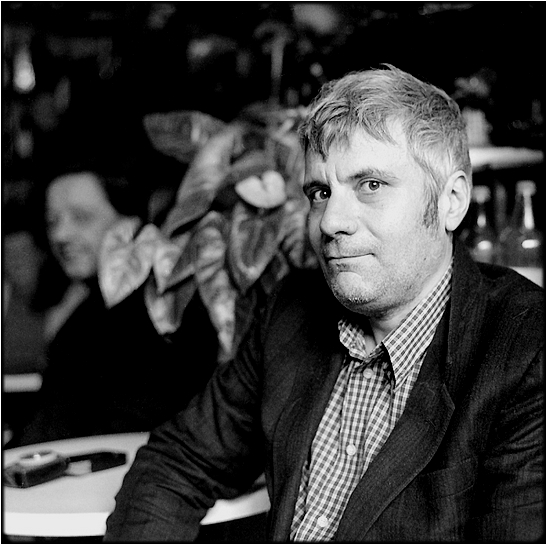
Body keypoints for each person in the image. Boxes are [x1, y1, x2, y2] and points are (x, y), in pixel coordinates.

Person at [104, 65, 544, 542]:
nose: (331, 221)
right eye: (320, 192)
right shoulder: (291, 310)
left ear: (451, 201)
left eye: (371, 185)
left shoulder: (526, 347)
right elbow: (179, 461)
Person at [8, 161, 219, 447]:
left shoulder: (166, 310)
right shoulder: (83, 318)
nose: (60, 235)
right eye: (52, 221)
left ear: (130, 221)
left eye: (81, 217)